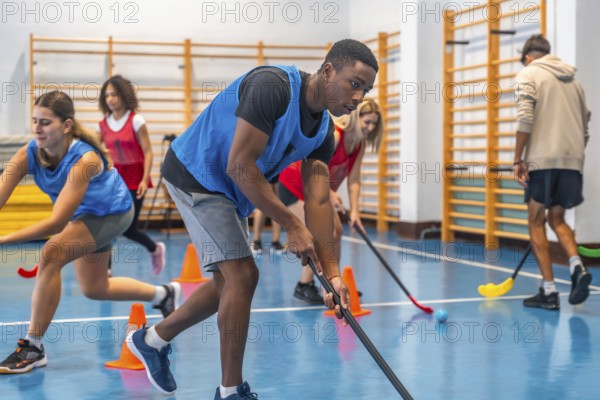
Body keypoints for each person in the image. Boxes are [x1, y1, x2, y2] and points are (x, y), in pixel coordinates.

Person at [125, 39, 378, 398]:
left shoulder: (323, 133)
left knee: (227, 286)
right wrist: (291, 225)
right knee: (243, 274)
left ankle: (151, 340)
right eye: (355, 83)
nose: (358, 97)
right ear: (327, 71)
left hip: (230, 190)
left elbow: (319, 202)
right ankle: (231, 391)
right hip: (196, 174)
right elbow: (240, 165)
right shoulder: (273, 87)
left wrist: (333, 274)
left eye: (365, 90)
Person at [0, 91, 181, 374]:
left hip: (114, 213)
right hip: (85, 217)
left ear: (67, 126)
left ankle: (33, 347)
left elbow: (56, 223)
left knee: (52, 253)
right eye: (35, 121)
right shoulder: (28, 153)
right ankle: (164, 294)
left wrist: (3, 240)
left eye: (45, 122)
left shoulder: (85, 160)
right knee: (95, 289)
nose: (37, 128)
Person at [513, 35, 592, 310]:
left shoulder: (528, 74)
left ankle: (548, 291)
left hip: (542, 161)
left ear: (527, 57)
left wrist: (517, 159)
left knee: (536, 221)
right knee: (557, 218)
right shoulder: (575, 82)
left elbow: (525, 117)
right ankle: (577, 267)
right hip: (572, 161)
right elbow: (586, 126)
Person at [278, 98, 383, 304]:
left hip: (320, 194)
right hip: (295, 186)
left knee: (336, 232)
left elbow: (354, 180)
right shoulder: (336, 136)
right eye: (367, 122)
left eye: (374, 124)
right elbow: (312, 167)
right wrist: (329, 191)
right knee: (319, 234)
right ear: (355, 118)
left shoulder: (358, 145)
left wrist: (354, 211)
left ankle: (332, 285)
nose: (370, 128)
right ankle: (304, 286)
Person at [98, 75, 165, 275]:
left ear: (124, 95)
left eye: (115, 94)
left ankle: (155, 248)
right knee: (107, 224)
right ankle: (107, 270)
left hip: (136, 180)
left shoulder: (136, 120)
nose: (110, 98)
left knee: (129, 228)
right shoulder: (102, 125)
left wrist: (145, 179)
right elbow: (95, 149)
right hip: (113, 182)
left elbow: (148, 151)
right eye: (107, 95)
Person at [250, 177, 285, 255]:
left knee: (275, 201)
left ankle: (275, 242)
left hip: (273, 169)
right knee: (263, 202)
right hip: (262, 170)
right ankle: (257, 241)